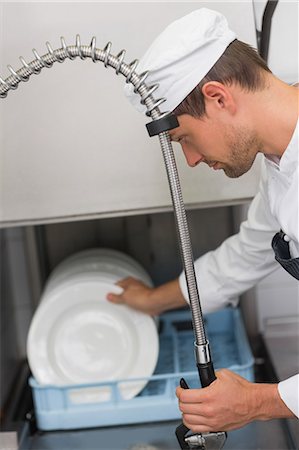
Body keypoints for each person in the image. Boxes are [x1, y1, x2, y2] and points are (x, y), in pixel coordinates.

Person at [107, 8, 299, 431]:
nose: (190, 160)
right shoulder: (280, 160)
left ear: (218, 97)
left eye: (184, 139)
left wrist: (259, 401)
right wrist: (150, 302)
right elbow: (244, 258)